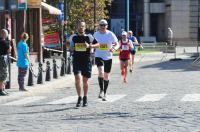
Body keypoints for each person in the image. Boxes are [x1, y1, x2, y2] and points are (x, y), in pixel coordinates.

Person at [70, 21, 99, 107]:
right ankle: (79, 97)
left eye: (82, 26)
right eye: (79, 26)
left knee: (85, 80)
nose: (81, 28)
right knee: (77, 78)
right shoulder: (73, 37)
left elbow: (98, 44)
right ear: (77, 27)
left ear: (85, 27)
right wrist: (71, 47)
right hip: (76, 60)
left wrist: (90, 46)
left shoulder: (89, 37)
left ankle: (85, 97)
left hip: (86, 60)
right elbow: (70, 47)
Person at [94, 19, 119, 101]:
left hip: (108, 56)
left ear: (107, 26)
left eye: (104, 25)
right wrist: (91, 52)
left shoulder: (110, 34)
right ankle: (101, 90)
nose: (103, 27)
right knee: (100, 71)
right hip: (98, 55)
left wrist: (114, 48)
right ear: (99, 26)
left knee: (106, 75)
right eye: (101, 25)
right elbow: (92, 44)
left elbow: (117, 43)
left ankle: (105, 92)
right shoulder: (96, 34)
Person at [0, 29, 11, 96]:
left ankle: (3, 89)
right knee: (3, 75)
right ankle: (1, 90)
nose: (7, 35)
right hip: (3, 59)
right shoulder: (4, 42)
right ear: (3, 34)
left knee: (3, 74)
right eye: (6, 34)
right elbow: (9, 50)